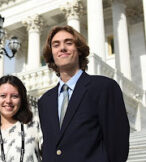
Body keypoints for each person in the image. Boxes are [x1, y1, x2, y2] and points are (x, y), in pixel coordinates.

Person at [38, 25, 129, 162]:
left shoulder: (104, 88)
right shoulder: (45, 101)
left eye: (69, 43)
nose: (62, 48)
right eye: (56, 45)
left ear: (79, 50)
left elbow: (117, 146)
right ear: (51, 53)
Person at [0, 75, 42, 162]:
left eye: (14, 96)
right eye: (3, 96)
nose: (8, 101)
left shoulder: (35, 125)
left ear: (21, 99)